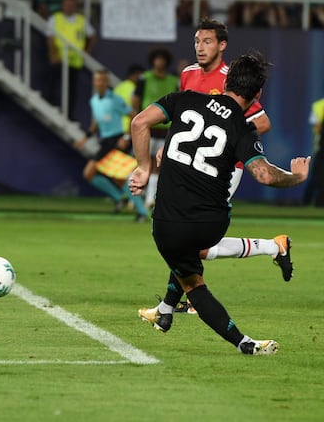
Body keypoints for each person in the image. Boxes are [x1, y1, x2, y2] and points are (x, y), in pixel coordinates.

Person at [130, 50, 309, 354]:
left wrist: (145, 168)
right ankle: (170, 312)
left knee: (193, 283)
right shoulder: (242, 127)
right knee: (194, 255)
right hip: (208, 223)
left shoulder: (183, 98)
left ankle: (224, 333)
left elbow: (139, 123)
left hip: (164, 224)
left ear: (225, 80)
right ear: (258, 94)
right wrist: (296, 177)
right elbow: (264, 175)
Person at [142, 17, 293, 320]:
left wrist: (229, 139)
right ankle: (275, 247)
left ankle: (172, 306)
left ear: (223, 45)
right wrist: (169, 148)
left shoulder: (231, 79)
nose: (200, 47)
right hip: (192, 163)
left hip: (226, 167)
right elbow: (183, 119)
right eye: (197, 41)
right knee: (190, 237)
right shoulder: (187, 74)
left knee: (193, 238)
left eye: (207, 41)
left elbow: (262, 122)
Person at [73, 70, 149, 222]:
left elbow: (133, 115)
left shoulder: (115, 99)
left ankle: (137, 209)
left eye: (102, 80)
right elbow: (96, 122)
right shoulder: (94, 100)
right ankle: (126, 202)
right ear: (94, 82)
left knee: (96, 173)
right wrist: (85, 138)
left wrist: (127, 137)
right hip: (105, 141)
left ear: (107, 83)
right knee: (113, 178)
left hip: (116, 140)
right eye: (97, 80)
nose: (100, 83)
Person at [131, 47, 179, 208]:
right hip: (147, 129)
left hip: (166, 130)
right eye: (157, 59)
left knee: (158, 165)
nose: (160, 62)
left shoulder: (174, 81)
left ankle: (151, 199)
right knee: (143, 163)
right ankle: (139, 197)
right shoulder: (144, 78)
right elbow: (136, 101)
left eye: (162, 59)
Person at [45, 0, 96, 121]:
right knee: (54, 85)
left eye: (72, 5)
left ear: (75, 7)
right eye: (66, 5)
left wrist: (87, 52)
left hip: (75, 61)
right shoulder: (55, 19)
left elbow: (92, 35)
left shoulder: (81, 20)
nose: (69, 7)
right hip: (59, 59)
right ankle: (51, 106)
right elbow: (50, 38)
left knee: (71, 90)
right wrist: (53, 54)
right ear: (62, 6)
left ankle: (69, 114)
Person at [303, 96, 324, 205]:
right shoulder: (320, 105)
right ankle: (307, 202)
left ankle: (318, 202)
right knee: (317, 177)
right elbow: (317, 126)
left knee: (318, 176)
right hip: (321, 148)